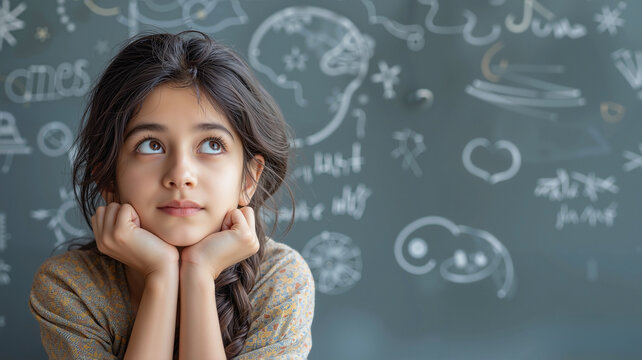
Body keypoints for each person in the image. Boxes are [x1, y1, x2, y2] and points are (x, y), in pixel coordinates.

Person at [28, 30, 315, 359]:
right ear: (107, 177)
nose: (180, 175)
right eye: (151, 145)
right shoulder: (71, 288)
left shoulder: (280, 281)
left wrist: (197, 273)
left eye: (211, 145)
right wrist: (161, 275)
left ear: (249, 179)